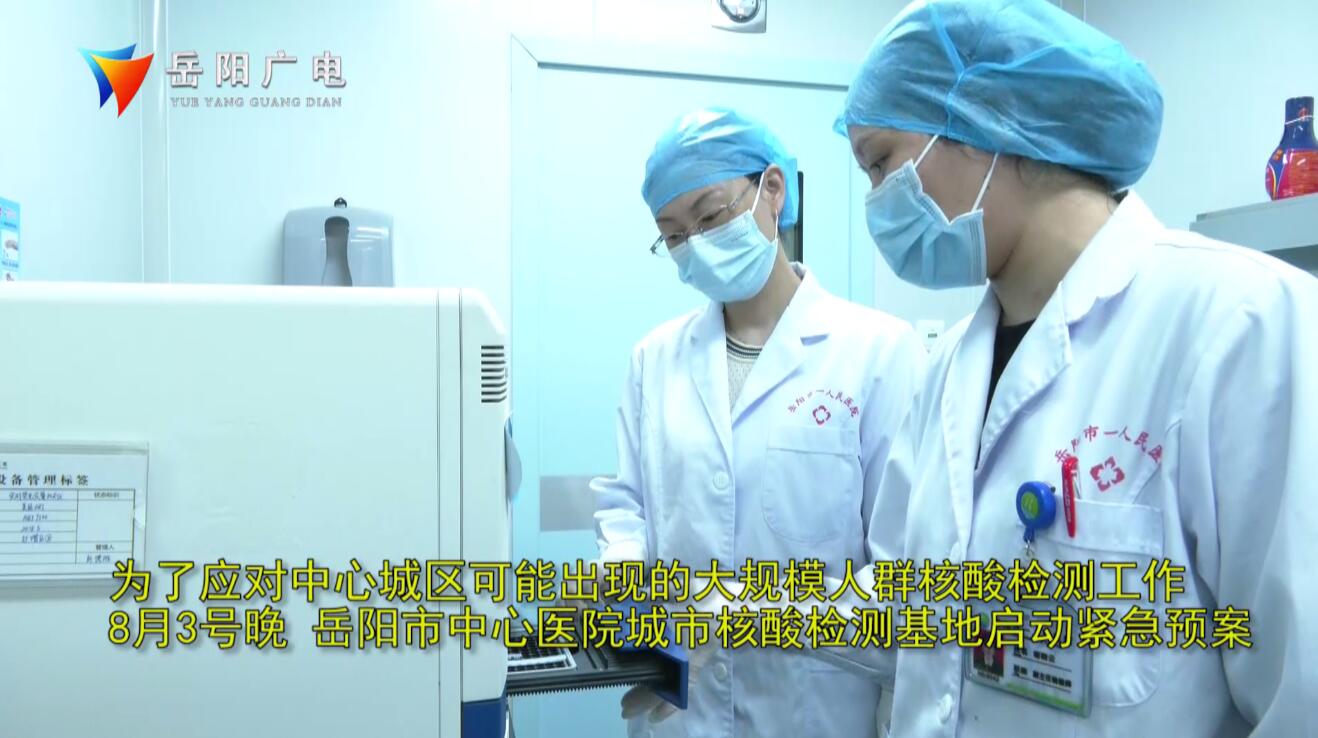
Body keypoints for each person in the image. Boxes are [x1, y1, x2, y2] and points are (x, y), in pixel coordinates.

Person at [828, 0, 1318, 735]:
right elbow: (906, 603)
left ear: (987, 120)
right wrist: (710, 612)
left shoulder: (1243, 323)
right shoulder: (950, 367)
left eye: (880, 163)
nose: (876, 201)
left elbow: (1301, 692)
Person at [589, 106, 928, 737]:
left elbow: (905, 582)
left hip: (815, 716)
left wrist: (741, 616)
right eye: (674, 235)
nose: (695, 244)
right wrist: (623, 564)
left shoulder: (879, 353)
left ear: (772, 190)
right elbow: (627, 500)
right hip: (680, 717)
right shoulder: (655, 359)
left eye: (710, 217)